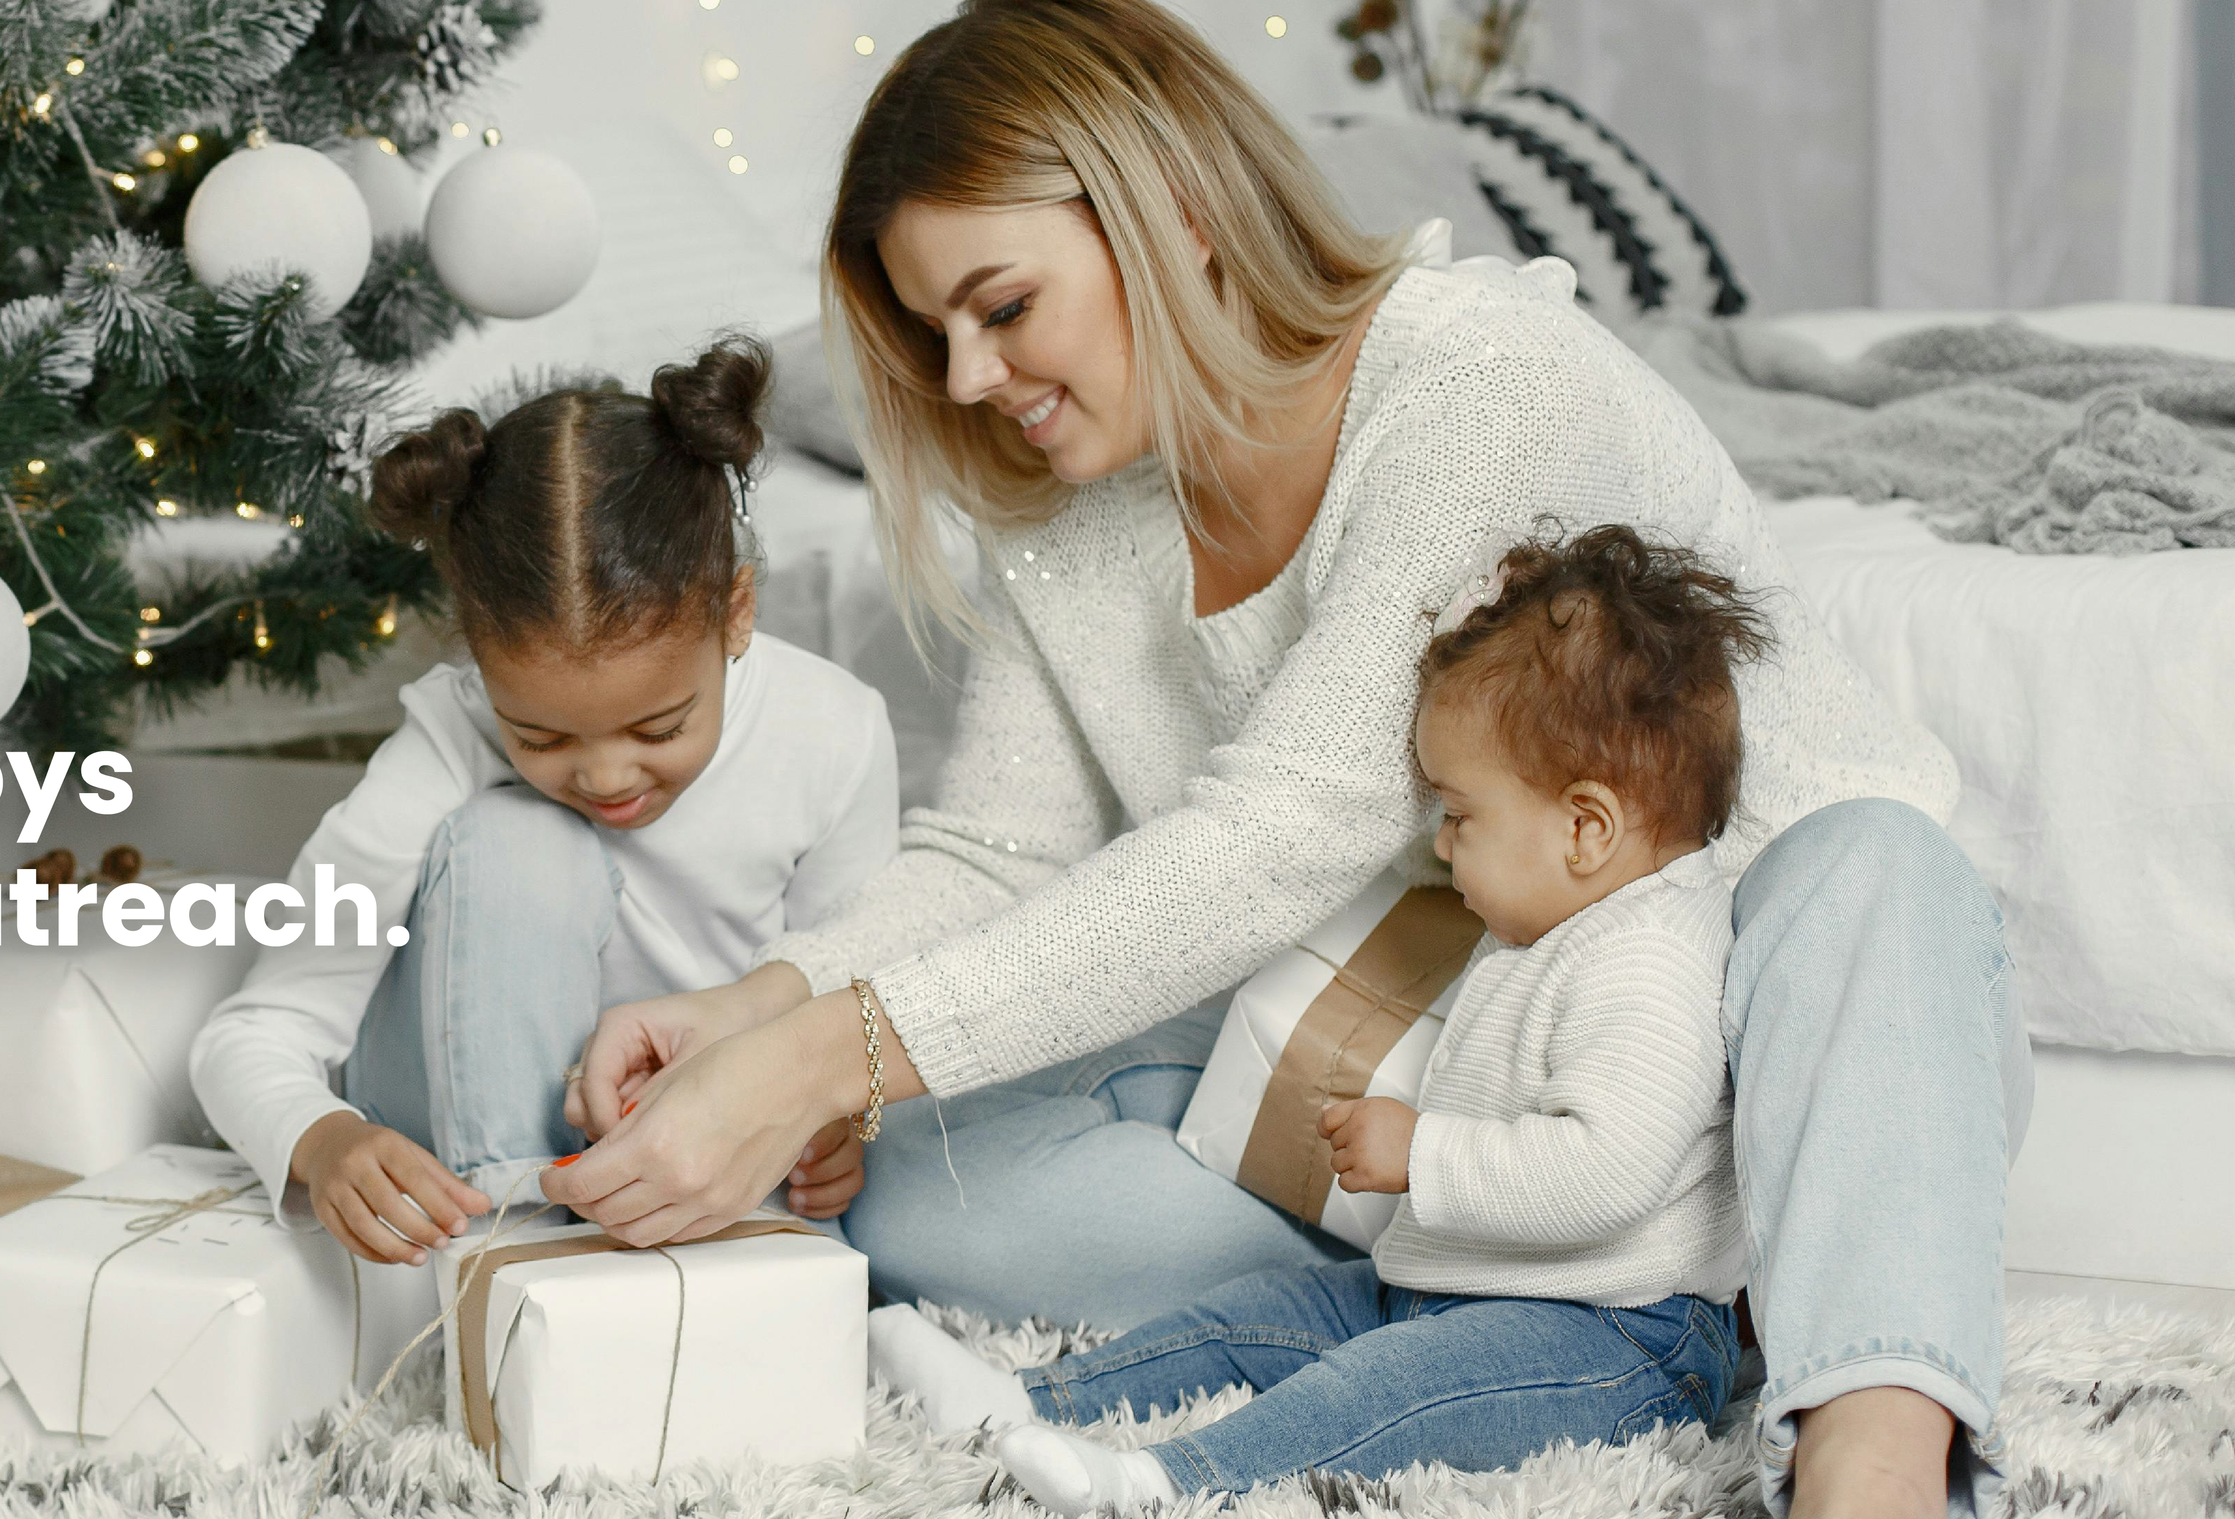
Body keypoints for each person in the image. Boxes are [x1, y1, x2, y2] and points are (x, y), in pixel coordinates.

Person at [536, 5, 2029, 1515]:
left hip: (1767, 1017)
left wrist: (818, 1054)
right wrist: (755, 1012)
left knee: (1875, 863)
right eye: (936, 336)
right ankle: (1531, 1290)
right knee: (895, 1174)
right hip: (1457, 1039)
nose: (970, 378)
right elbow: (997, 851)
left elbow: (1282, 836)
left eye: (1001, 308)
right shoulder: (1063, 507)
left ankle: (1869, 1442)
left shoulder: (1476, 383)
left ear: (1173, 214)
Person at [871, 525, 1764, 1507]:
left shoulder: (1653, 956)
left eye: (1462, 817)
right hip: (1465, 1280)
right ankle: (1021, 1396)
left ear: (1586, 828)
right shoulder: (1561, 921)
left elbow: (1605, 1170)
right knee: (1258, 1314)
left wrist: (1423, 1152)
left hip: (1617, 1332)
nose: (1445, 846)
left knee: (1380, 1389)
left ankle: (1165, 1481)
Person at [187, 336, 898, 1266]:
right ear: (478, 662)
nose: (605, 778)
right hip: (451, 1141)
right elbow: (257, 1030)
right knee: (518, 835)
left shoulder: (833, 733)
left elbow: (849, 998)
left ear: (738, 610)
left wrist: (831, 1119)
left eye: (657, 728)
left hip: (687, 1127)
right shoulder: (450, 732)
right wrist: (324, 1142)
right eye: (541, 738)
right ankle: (522, 1264)